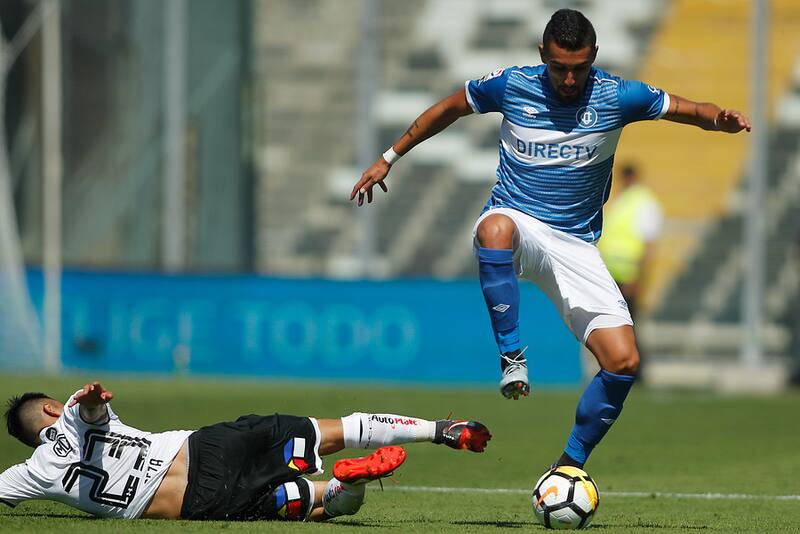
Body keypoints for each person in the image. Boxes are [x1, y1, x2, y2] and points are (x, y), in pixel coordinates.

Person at [351, 9, 750, 469]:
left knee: (623, 361)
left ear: (594, 56)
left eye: (579, 68)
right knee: (493, 228)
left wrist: (719, 118)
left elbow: (688, 109)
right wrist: (388, 157)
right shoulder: (511, 85)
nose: (569, 79)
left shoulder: (619, 96)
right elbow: (450, 107)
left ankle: (567, 469)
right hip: (518, 219)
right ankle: (512, 358)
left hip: (575, 244)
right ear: (543, 54)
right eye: (559, 67)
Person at [0, 382, 490, 521]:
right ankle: (440, 430)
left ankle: (348, 485)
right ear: (51, 408)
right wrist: (91, 400)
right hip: (205, 449)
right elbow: (88, 410)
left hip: (198, 504)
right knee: (332, 431)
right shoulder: (72, 414)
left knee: (314, 505)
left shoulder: (33, 472)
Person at [598, 163, 663, 322]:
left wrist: (639, 278)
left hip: (628, 277)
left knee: (626, 324)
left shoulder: (644, 203)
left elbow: (649, 244)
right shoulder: (622, 200)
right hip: (611, 274)